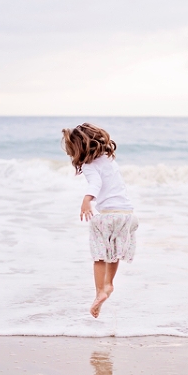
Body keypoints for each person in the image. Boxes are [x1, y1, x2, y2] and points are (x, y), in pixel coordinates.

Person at [62, 123, 138, 318]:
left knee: (99, 257)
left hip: (107, 216)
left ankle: (99, 292)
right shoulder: (109, 159)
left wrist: (86, 200)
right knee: (113, 253)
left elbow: (96, 183)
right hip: (127, 215)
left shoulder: (88, 165)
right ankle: (109, 283)